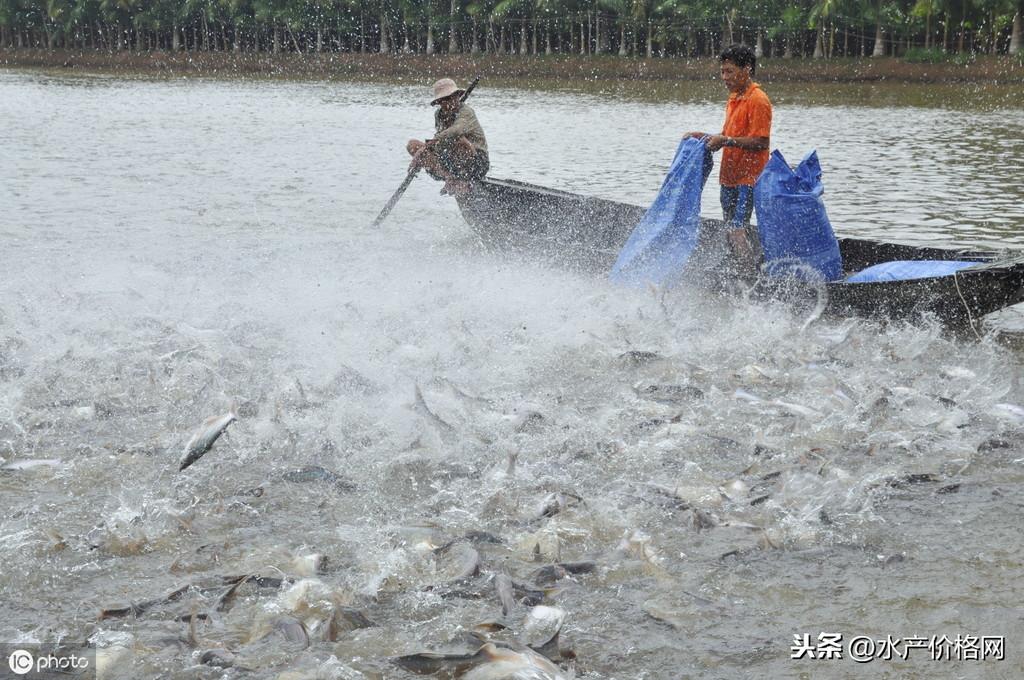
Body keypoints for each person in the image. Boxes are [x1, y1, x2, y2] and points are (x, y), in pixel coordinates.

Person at [684, 44, 772, 270]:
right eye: (722, 71)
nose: (724, 77)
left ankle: (747, 271)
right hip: (729, 176)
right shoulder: (734, 98)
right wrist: (704, 136)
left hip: (749, 178)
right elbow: (728, 134)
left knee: (738, 228)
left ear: (747, 69)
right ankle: (734, 263)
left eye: (730, 71)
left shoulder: (758, 99)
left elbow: (761, 142)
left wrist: (725, 141)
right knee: (729, 226)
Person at [407, 78, 489, 197]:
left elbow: (456, 131)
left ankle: (463, 180)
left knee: (459, 140)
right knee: (413, 145)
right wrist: (422, 154)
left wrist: (427, 146)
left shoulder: (466, 112)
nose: (452, 100)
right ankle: (450, 178)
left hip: (476, 162)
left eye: (454, 96)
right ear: (439, 102)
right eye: (447, 99)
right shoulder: (439, 115)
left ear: (458, 95)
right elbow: (441, 144)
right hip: (451, 162)